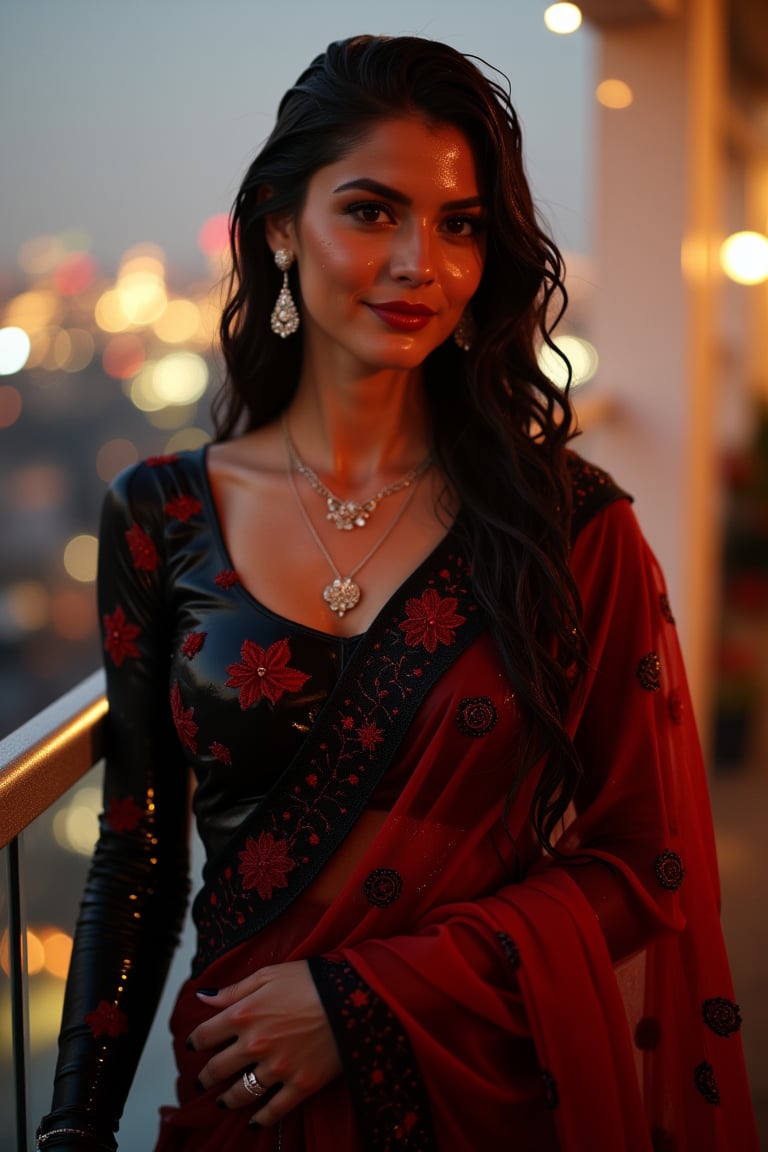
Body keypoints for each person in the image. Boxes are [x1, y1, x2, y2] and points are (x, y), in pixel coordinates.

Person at [37, 33, 758, 1152]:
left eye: (460, 224)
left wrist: (360, 1001)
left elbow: (645, 863)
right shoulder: (164, 514)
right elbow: (137, 858)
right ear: (279, 225)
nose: (422, 262)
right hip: (239, 1101)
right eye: (372, 211)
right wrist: (72, 1128)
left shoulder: (570, 530)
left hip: (486, 1098)